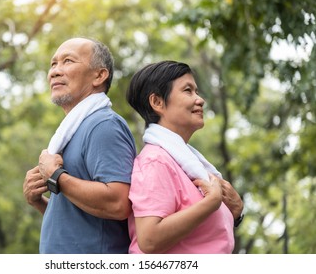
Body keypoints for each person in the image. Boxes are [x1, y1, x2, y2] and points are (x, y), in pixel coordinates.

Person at [23, 37, 136, 254]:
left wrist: (56, 176)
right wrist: (38, 200)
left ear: (99, 75)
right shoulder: (71, 130)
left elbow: (119, 203)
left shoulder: (103, 125)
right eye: (53, 64)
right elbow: (79, 219)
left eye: (68, 61)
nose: (55, 71)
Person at [126, 60, 244, 254]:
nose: (200, 100)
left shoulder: (188, 162)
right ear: (157, 102)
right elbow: (149, 239)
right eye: (188, 91)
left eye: (196, 91)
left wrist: (236, 212)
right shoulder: (156, 161)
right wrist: (210, 203)